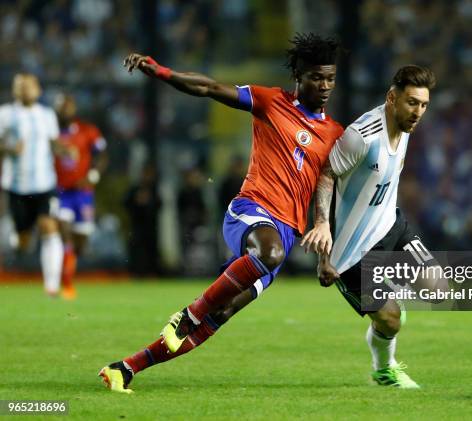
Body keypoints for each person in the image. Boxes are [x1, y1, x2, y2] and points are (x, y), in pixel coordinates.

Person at [99, 33, 344, 393]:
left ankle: (127, 367)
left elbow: (327, 192)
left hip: (286, 235)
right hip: (251, 213)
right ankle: (188, 315)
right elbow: (210, 88)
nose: (324, 86)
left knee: (223, 312)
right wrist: (162, 72)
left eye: (330, 79)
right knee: (266, 255)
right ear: (298, 75)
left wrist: (326, 257)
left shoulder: (335, 133)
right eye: (316, 78)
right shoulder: (270, 101)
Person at [301, 65, 446, 389]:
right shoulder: (361, 137)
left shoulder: (406, 127)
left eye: (423, 105)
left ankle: (389, 287)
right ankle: (384, 369)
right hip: (351, 255)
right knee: (391, 321)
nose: (417, 112)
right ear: (391, 98)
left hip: (391, 227)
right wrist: (323, 234)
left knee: (438, 288)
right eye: (411, 103)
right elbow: (325, 175)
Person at [0, 74, 65, 296]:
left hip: (44, 183)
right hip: (17, 185)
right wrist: (8, 149)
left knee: (49, 226)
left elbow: (53, 143)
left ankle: (52, 287)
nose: (25, 90)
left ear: (37, 90)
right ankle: (17, 239)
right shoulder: (5, 114)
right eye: (20, 86)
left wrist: (65, 150)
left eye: (29, 86)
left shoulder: (47, 115)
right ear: (14, 90)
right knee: (23, 241)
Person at [54, 94, 108, 299]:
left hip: (83, 194)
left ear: (74, 109)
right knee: (64, 231)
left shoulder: (88, 131)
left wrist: (93, 175)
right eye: (61, 107)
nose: (64, 111)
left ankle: (68, 268)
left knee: (81, 242)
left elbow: (102, 155)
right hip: (60, 192)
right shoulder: (51, 133)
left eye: (67, 106)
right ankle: (65, 283)